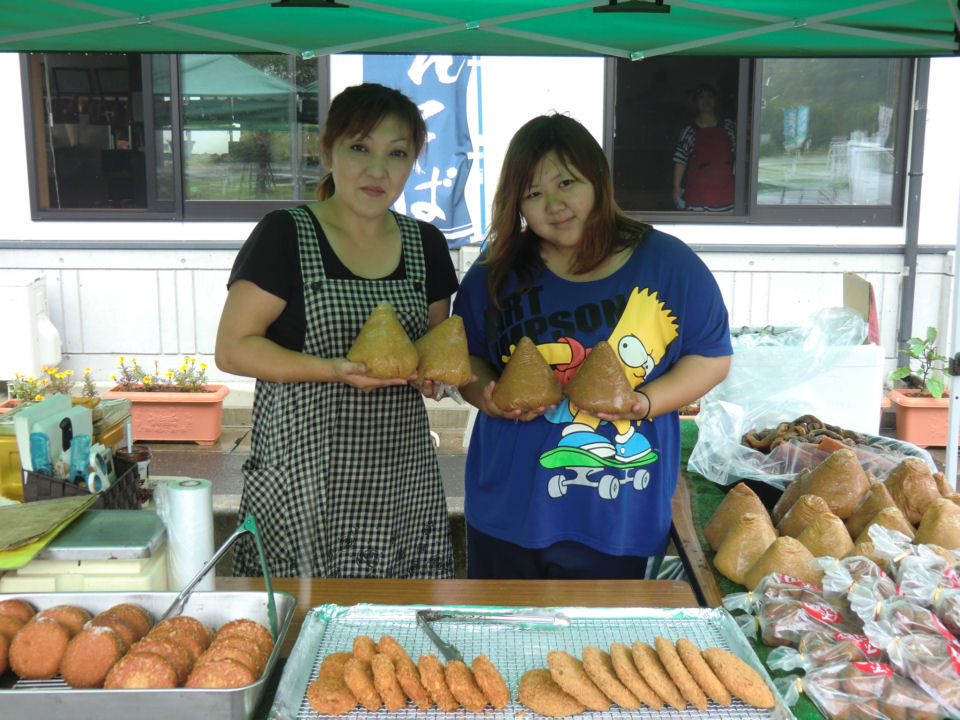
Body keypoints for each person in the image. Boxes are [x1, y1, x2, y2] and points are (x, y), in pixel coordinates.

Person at [453, 113, 732, 579]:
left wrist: (644, 402)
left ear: (598, 179)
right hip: (507, 508)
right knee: (501, 628)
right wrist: (486, 395)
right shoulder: (495, 271)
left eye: (567, 183)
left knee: (603, 630)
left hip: (619, 514)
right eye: (533, 193)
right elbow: (470, 357)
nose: (554, 205)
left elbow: (711, 356)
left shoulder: (669, 265)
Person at [215, 83, 457, 579]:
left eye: (397, 153)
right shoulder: (286, 234)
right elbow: (233, 349)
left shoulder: (427, 244)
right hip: (302, 477)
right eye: (360, 148)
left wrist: (434, 379)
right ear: (327, 152)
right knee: (299, 611)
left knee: (394, 617)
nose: (378, 170)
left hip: (399, 478)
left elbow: (432, 352)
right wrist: (332, 370)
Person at [672, 83, 736, 212]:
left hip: (726, 196)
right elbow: (680, 161)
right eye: (701, 97)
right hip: (698, 198)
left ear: (715, 100)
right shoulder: (689, 130)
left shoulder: (728, 126)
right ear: (695, 102)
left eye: (709, 96)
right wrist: (676, 188)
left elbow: (736, 155)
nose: (706, 100)